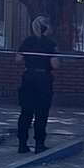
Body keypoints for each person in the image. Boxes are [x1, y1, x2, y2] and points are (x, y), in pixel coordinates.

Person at [14, 16, 59, 153]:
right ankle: (39, 144)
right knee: (41, 113)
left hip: (28, 78)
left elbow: (18, 59)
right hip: (44, 79)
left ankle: (22, 144)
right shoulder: (50, 44)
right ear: (47, 27)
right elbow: (55, 64)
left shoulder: (28, 41)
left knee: (26, 112)